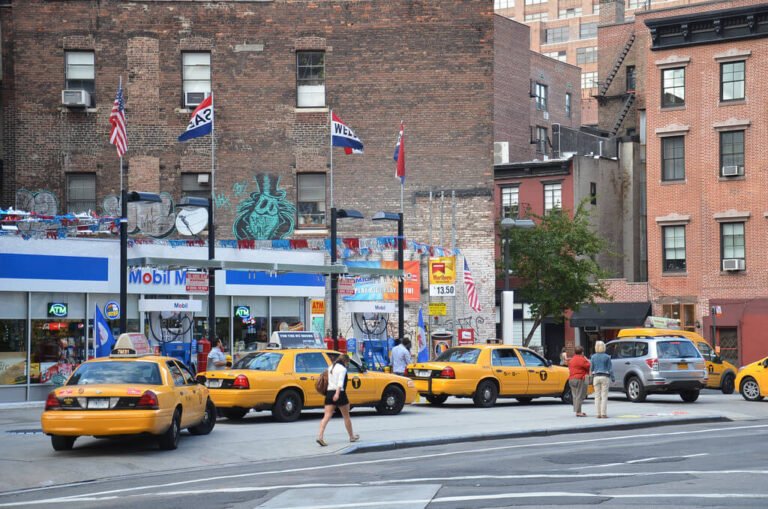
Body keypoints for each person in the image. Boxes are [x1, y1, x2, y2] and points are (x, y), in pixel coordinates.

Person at [316, 354, 359, 446]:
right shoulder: (342, 369)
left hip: (329, 393)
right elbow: (340, 383)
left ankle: (320, 436)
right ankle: (351, 436)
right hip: (339, 393)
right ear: (345, 361)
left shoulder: (331, 367)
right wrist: (337, 394)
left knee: (326, 416)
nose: (347, 364)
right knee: (346, 416)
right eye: (347, 363)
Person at [590, 340, 615, 419]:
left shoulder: (593, 357)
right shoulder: (607, 357)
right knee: (604, 396)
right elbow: (610, 369)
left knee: (597, 396)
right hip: (605, 377)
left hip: (596, 377)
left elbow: (592, 368)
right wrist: (613, 378)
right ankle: (603, 414)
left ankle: (598, 414)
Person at [568, 346, 590, 417]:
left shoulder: (572, 359)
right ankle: (578, 412)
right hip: (579, 379)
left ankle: (577, 410)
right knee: (580, 395)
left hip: (571, 379)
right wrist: (586, 359)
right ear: (582, 352)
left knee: (575, 395)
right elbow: (588, 365)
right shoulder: (582, 359)